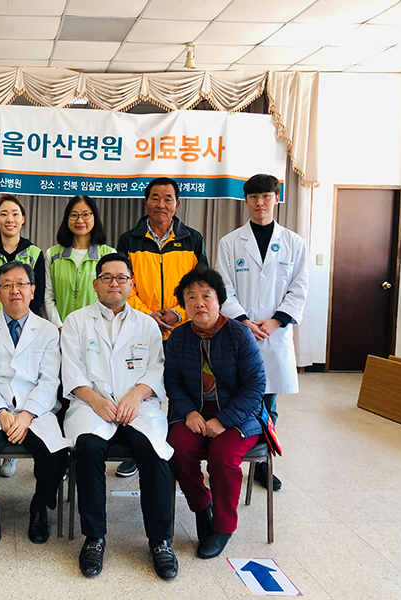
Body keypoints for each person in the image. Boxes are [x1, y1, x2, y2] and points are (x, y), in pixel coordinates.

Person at [61, 253, 178, 581]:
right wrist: (96, 400)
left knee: (153, 453)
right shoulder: (76, 321)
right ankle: (94, 537)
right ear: (95, 283)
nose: (114, 283)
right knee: (88, 450)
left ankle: (160, 540)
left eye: (121, 278)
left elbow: (157, 368)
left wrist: (136, 395)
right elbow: (71, 370)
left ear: (131, 284)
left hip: (138, 407)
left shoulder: (147, 324)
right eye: (107, 277)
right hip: (91, 406)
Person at [165, 265, 267, 559]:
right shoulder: (178, 337)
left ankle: (223, 527)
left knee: (223, 457)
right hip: (194, 413)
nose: (199, 303)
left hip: (239, 416)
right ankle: (201, 506)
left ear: (219, 300)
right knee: (176, 447)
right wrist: (189, 413)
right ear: (184, 305)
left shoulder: (239, 334)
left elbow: (255, 386)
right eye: (191, 297)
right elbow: (172, 383)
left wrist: (224, 420)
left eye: (206, 296)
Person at [216, 174, 308, 491]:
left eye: (266, 196)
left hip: (274, 335)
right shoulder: (230, 243)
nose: (260, 203)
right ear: (246, 201)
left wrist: (275, 321)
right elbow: (223, 288)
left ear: (276, 198)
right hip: (239, 332)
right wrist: (244, 321)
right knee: (235, 399)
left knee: (269, 404)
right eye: (253, 197)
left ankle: (263, 464)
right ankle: (228, 458)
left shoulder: (294, 243)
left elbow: (299, 288)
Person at [0, 261, 69, 546]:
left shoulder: (48, 330)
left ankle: (40, 508)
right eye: (7, 285)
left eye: (21, 284)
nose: (15, 290)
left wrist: (27, 415)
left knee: (55, 452)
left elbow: (49, 380)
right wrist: (0, 412)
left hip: (36, 410)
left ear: (33, 290)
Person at [114, 177, 207, 478]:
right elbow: (123, 284)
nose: (161, 204)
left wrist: (179, 313)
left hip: (182, 330)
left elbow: (200, 285)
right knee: (139, 389)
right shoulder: (129, 240)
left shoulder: (192, 239)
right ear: (146, 202)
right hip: (141, 328)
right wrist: (147, 314)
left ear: (177, 204)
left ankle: (175, 453)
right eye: (155, 198)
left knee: (180, 391)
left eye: (168, 198)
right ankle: (138, 450)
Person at [0, 194, 46, 477]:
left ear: (23, 219)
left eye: (15, 213)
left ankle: (12, 452)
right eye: (4, 213)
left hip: (26, 321)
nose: (10, 219)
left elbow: (38, 293)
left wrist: (19, 312)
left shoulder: (36, 253)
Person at [43, 195, 115, 331]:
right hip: (61, 331)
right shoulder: (52, 254)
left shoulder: (108, 254)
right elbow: (49, 296)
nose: (80, 220)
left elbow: (111, 297)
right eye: (74, 215)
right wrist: (59, 326)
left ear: (95, 217)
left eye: (86, 214)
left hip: (97, 330)